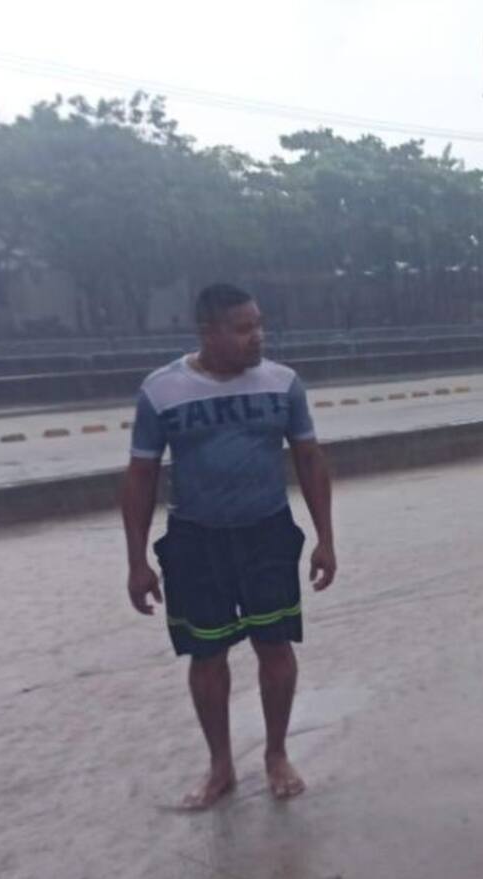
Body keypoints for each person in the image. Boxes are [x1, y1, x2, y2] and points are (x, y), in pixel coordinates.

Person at [121, 283, 337, 810]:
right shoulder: (161, 390)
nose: (257, 336)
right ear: (208, 332)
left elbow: (309, 459)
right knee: (207, 654)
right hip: (196, 540)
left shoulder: (282, 384)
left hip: (267, 532)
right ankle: (220, 765)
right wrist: (137, 561)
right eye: (243, 328)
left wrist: (326, 539)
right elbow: (140, 474)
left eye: (259, 324)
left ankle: (276, 755)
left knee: (275, 647)